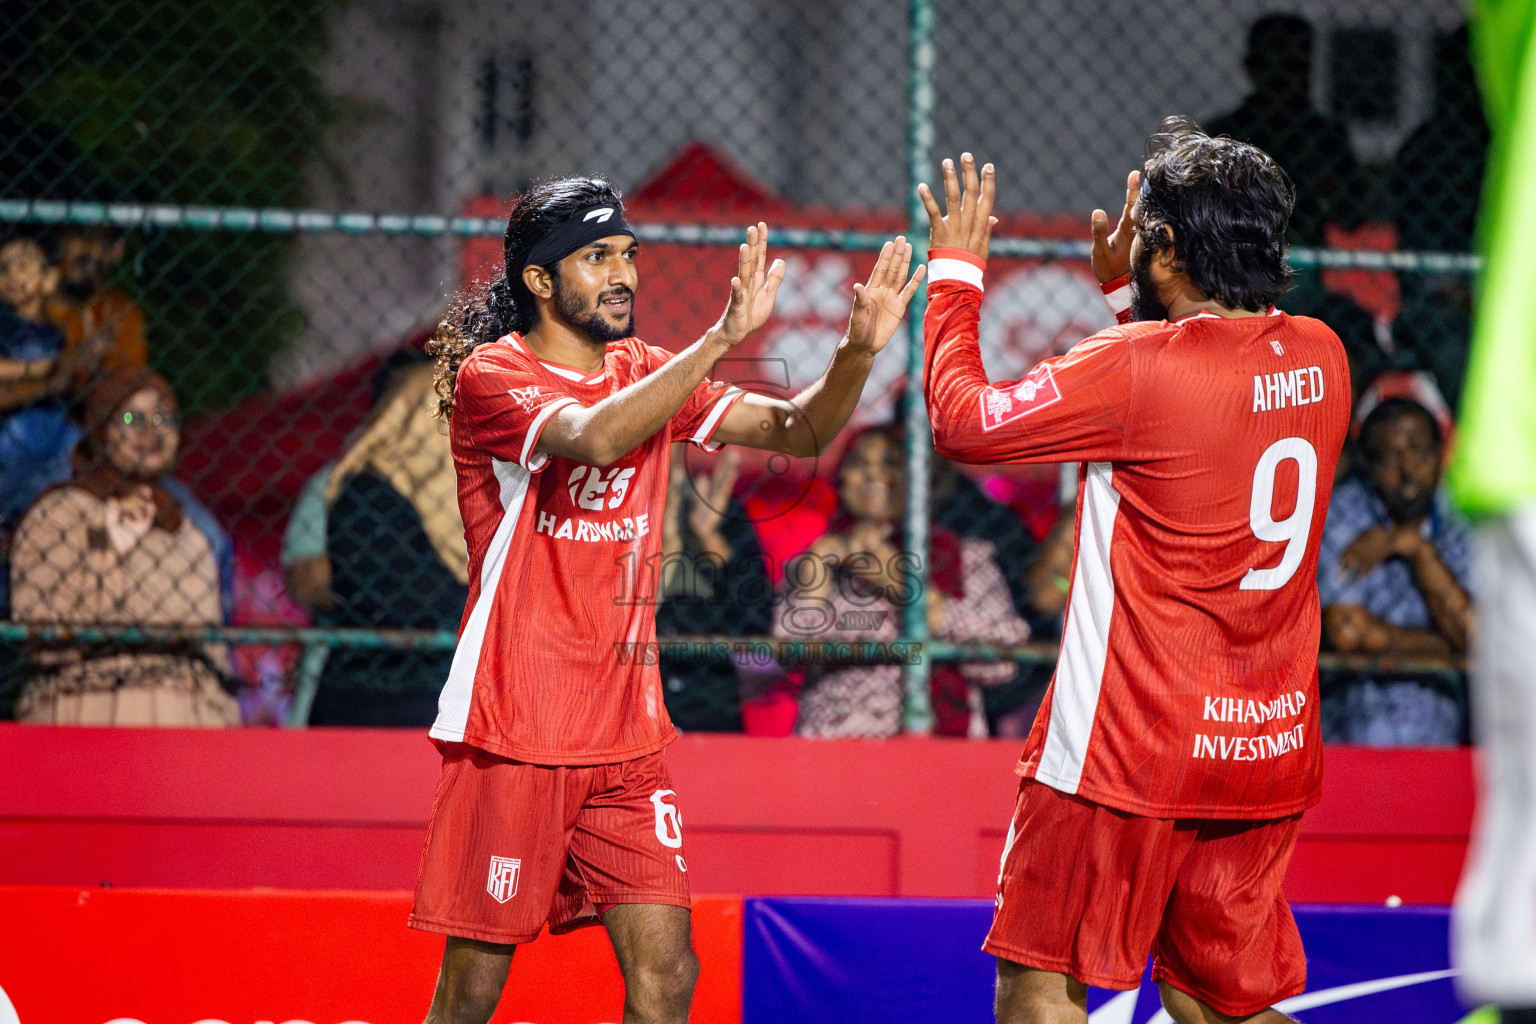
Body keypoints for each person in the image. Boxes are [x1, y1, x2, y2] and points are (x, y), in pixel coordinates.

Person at [413, 176, 922, 1024]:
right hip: (515, 722)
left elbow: (799, 431)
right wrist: (724, 335)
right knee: (471, 991)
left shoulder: (646, 366)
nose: (623, 275)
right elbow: (596, 434)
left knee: (669, 972)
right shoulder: (493, 376)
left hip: (624, 735)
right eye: (596, 258)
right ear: (539, 281)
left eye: (628, 255)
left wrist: (858, 353)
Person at [921, 128, 1348, 1023]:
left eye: (1146, 233)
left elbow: (964, 423)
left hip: (1126, 750)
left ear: (1167, 246)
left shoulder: (1134, 369)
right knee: (1213, 1006)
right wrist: (1131, 293)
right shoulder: (1323, 356)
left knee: (1039, 988)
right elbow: (1194, 399)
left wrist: (956, 275)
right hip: (1262, 749)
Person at [8, 368, 238, 726]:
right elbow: (44, 633)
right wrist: (107, 549)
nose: (151, 429)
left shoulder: (185, 530)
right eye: (131, 416)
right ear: (101, 427)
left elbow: (213, 653)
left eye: (163, 417)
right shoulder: (61, 512)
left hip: (180, 725)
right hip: (89, 712)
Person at [774, 424, 1028, 738]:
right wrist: (820, 568)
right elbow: (785, 651)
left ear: (920, 478)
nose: (872, 475)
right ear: (841, 478)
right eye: (858, 464)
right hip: (836, 747)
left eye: (890, 463)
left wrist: (898, 583)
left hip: (940, 748)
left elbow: (1001, 665)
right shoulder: (819, 559)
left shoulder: (964, 559)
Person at [312, 361, 470, 727]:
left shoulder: (474, 497)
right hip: (378, 706)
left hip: (447, 702)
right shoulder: (367, 496)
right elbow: (410, 603)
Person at [1316, 397, 1472, 745]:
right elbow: (1348, 631)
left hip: (1440, 746)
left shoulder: (1458, 517)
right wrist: (1448, 650)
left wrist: (1417, 549)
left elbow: (1476, 634)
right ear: (1369, 467)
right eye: (1390, 458)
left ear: (1441, 453)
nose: (1407, 470)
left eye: (1419, 452)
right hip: (1355, 741)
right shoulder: (1344, 513)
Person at [1205, 14, 1367, 247]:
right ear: (1253, 68)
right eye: (1273, 65)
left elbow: (1352, 219)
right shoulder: (1225, 134)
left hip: (1302, 259)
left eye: (1295, 66)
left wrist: (1316, 163)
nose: (1284, 78)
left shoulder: (1325, 135)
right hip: (1235, 256)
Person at [655, 445, 773, 732]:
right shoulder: (618, 513)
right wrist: (666, 545)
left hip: (708, 703)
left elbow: (755, 624)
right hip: (638, 696)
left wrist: (710, 541)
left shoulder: (725, 513)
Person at [0, 230, 79, 543]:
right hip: (14, 425)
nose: (10, 275)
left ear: (48, 279)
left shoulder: (54, 332)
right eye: (3, 268)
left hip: (51, 424)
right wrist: (39, 370)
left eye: (22, 266)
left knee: (71, 440)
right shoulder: (4, 326)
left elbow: (66, 377)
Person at [46, 225, 149, 395]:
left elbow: (126, 398)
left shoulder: (120, 309)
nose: (92, 249)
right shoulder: (32, 305)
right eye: (80, 235)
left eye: (103, 239)